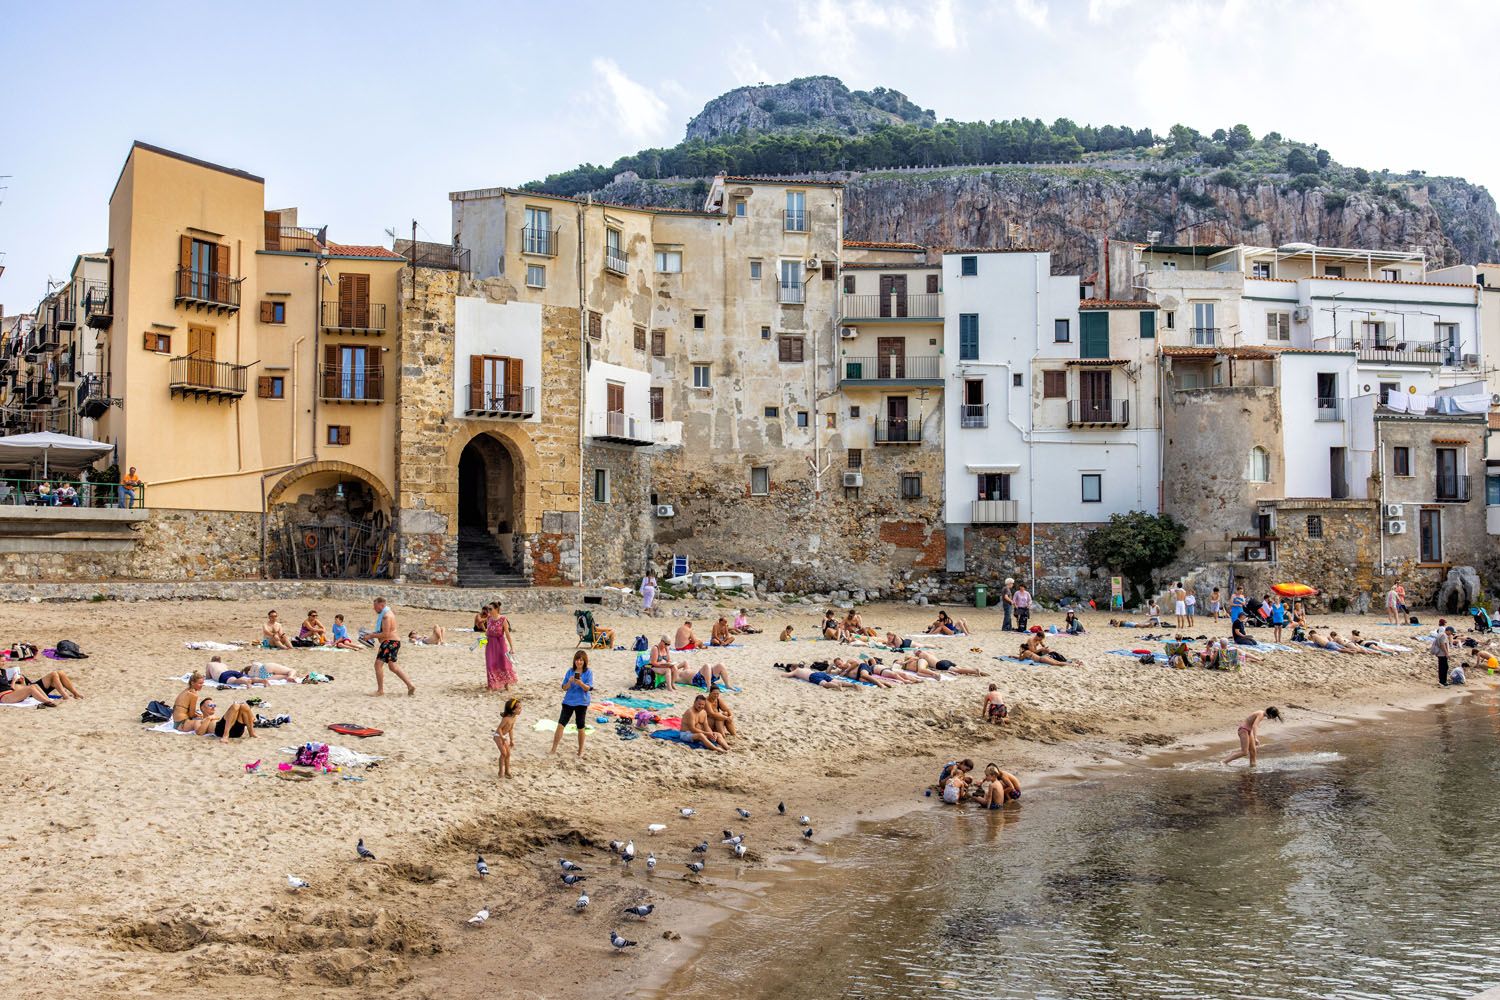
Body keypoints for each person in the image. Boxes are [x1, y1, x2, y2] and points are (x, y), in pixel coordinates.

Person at [550, 650, 593, 757]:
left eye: (581, 660)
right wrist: (569, 682)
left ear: (584, 661)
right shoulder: (570, 671)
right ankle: (553, 749)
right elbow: (564, 688)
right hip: (568, 701)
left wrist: (580, 683)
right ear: (574, 661)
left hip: (582, 703)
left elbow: (588, 688)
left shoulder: (588, 672)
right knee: (561, 724)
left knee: (580, 726)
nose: (579, 662)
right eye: (577, 660)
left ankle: (580, 751)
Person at [370, 597, 415, 697]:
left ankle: (380, 691)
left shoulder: (386, 616)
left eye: (376, 606)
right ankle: (410, 685)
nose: (374, 609)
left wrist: (371, 636)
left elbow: (385, 634)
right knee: (393, 667)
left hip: (389, 642)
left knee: (378, 665)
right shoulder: (388, 613)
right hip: (393, 642)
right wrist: (372, 634)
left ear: (382, 605)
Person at [484, 603, 516, 691]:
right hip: (490, 644)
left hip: (500, 644)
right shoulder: (489, 618)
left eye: (490, 609)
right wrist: (481, 641)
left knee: (503, 663)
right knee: (490, 664)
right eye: (488, 609)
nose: (488, 611)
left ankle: (506, 684)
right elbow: (487, 632)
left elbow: (507, 633)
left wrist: (512, 647)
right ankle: (491, 685)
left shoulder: (503, 619)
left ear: (496, 609)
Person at [494, 698, 520, 778]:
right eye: (519, 708)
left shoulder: (514, 718)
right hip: (498, 736)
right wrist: (502, 737)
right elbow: (499, 729)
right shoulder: (506, 719)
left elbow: (510, 729)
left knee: (508, 754)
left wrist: (511, 740)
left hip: (504, 737)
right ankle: (500, 771)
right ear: (513, 710)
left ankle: (507, 771)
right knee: (503, 753)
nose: (520, 710)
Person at [779, 663, 858, 689]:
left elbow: (786, 675)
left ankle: (837, 686)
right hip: (820, 673)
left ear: (792, 668)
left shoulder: (796, 671)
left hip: (812, 676)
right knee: (834, 680)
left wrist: (781, 674)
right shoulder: (805, 668)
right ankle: (852, 685)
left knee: (824, 684)